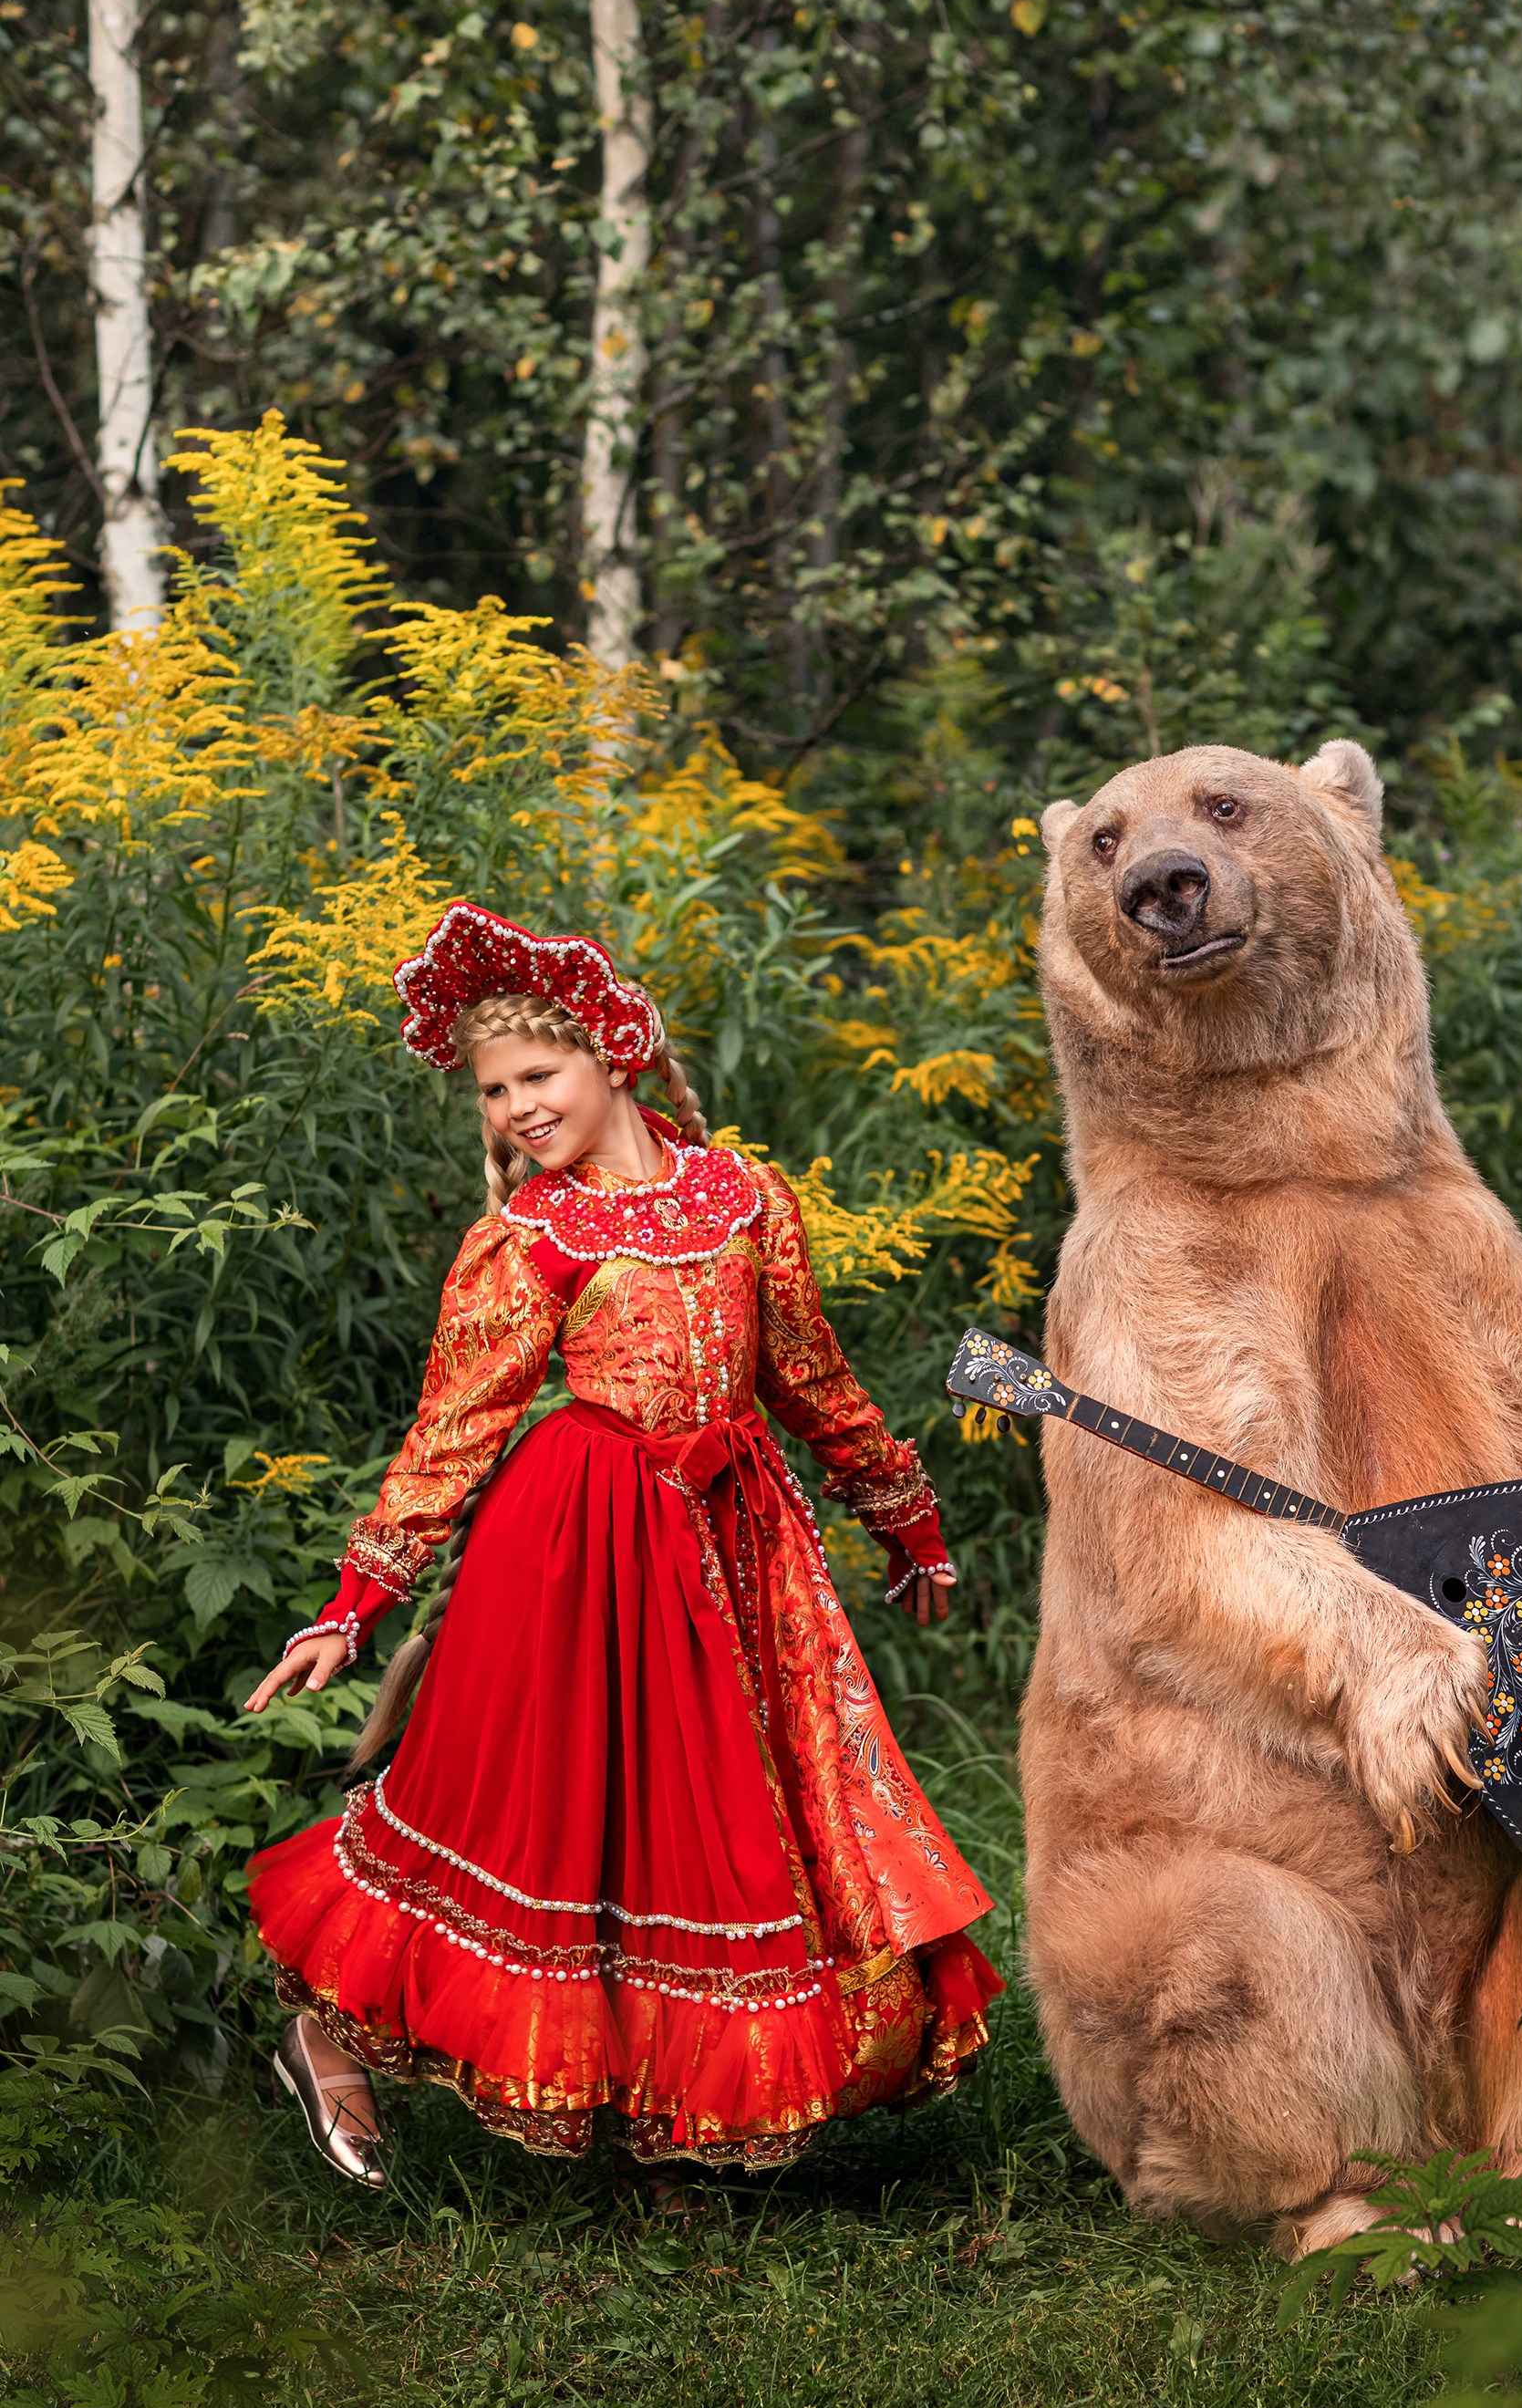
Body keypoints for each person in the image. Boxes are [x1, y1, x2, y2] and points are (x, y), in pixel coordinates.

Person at [243, 901, 1001, 2189]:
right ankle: (327, 2037)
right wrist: (354, 1607)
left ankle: (677, 2099)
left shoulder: (747, 1196)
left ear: (613, 1055)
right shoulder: (529, 1237)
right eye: (494, 1093)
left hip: (742, 1540)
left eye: (537, 1076)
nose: (516, 1110)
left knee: (718, 1815)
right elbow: (453, 1431)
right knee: (546, 1814)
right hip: (581, 1542)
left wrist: (902, 1512)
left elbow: (809, 1375)